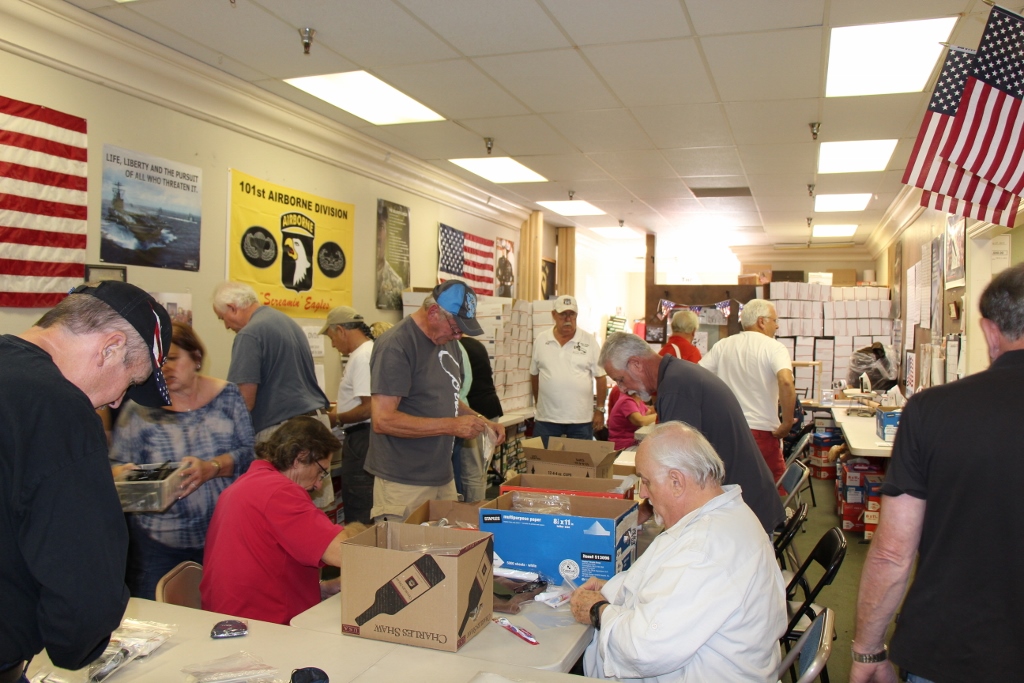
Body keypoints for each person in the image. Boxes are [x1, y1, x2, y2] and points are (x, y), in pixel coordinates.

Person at [850, 263, 1024, 683]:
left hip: (954, 646)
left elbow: (893, 552)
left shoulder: (933, 411)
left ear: (987, 331)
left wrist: (868, 651)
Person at [1, 282, 172, 678]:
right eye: (130, 382)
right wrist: (77, 643)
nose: (116, 402)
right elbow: (81, 562)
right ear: (110, 347)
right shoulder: (58, 408)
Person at [569, 421, 786, 681]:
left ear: (676, 481)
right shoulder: (723, 516)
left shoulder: (704, 549)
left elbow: (644, 650)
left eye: (647, 481)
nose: (644, 493)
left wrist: (598, 610)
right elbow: (669, 587)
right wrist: (610, 589)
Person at [109, 322, 255, 599]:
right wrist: (123, 474)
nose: (165, 368)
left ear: (196, 358)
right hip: (157, 542)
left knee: (221, 610)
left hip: (222, 535)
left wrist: (211, 468)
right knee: (161, 619)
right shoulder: (140, 409)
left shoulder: (227, 396)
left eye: (173, 359)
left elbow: (248, 454)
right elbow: (114, 463)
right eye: (158, 362)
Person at [599, 332, 785, 534]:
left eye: (621, 380)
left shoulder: (676, 388)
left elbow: (677, 467)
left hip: (743, 512)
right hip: (739, 502)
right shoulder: (678, 376)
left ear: (636, 364)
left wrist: (644, 511)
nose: (623, 389)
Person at [200, 417, 365, 625]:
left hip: (232, 618)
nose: (318, 485)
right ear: (300, 457)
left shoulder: (246, 484)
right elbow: (346, 554)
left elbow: (265, 566)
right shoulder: (279, 492)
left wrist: (321, 588)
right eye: (320, 473)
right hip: (261, 628)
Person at [366, 281, 505, 521]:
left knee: (445, 551)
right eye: (455, 327)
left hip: (442, 475)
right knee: (405, 555)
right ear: (433, 313)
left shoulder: (448, 342)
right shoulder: (396, 345)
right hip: (404, 481)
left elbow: (450, 399)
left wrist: (481, 421)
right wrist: (451, 426)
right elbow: (383, 420)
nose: (459, 335)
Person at [212, 281, 330, 441]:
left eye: (222, 318)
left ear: (233, 308)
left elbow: (244, 400)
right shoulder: (289, 324)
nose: (226, 326)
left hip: (285, 432)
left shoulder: (249, 334)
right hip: (318, 424)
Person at [699, 299, 795, 483]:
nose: (776, 326)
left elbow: (698, 375)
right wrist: (787, 423)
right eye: (775, 321)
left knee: (729, 487)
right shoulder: (774, 347)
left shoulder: (723, 345)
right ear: (761, 321)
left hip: (727, 429)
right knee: (769, 490)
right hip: (761, 431)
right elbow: (785, 382)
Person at [321, 306, 375, 525]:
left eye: (332, 338)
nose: (333, 344)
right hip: (364, 437)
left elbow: (369, 407)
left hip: (363, 438)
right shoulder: (367, 352)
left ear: (342, 330)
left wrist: (336, 418)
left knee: (360, 503)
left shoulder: (362, 356)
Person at [530, 295, 608, 441]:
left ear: (576, 315)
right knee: (542, 461)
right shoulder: (541, 340)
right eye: (563, 314)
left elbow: (600, 377)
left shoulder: (589, 341)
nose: (567, 319)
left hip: (580, 421)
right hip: (547, 419)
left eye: (571, 314)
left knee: (580, 462)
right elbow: (534, 375)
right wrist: (538, 403)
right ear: (553, 315)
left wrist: (600, 410)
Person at [455, 335, 504, 502]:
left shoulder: (455, 348)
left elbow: (462, 387)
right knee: (481, 469)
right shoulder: (476, 345)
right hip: (490, 408)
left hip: (474, 412)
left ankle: (473, 512)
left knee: (472, 471)